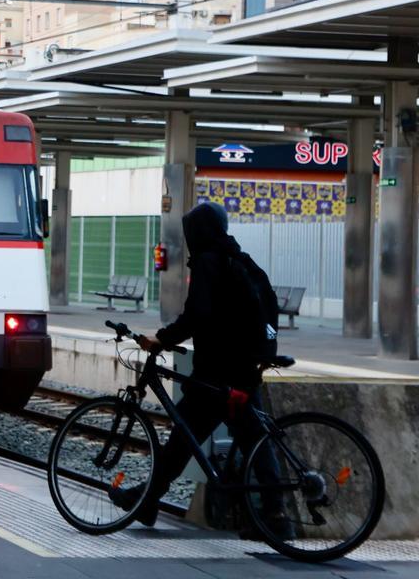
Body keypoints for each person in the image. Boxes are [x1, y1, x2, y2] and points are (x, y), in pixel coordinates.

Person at [111, 201, 289, 537]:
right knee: (251, 441)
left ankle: (147, 500)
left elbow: (198, 315)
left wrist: (161, 339)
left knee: (186, 437)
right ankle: (276, 514)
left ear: (198, 232)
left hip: (217, 373)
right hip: (243, 368)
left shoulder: (209, 262)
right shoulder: (238, 259)